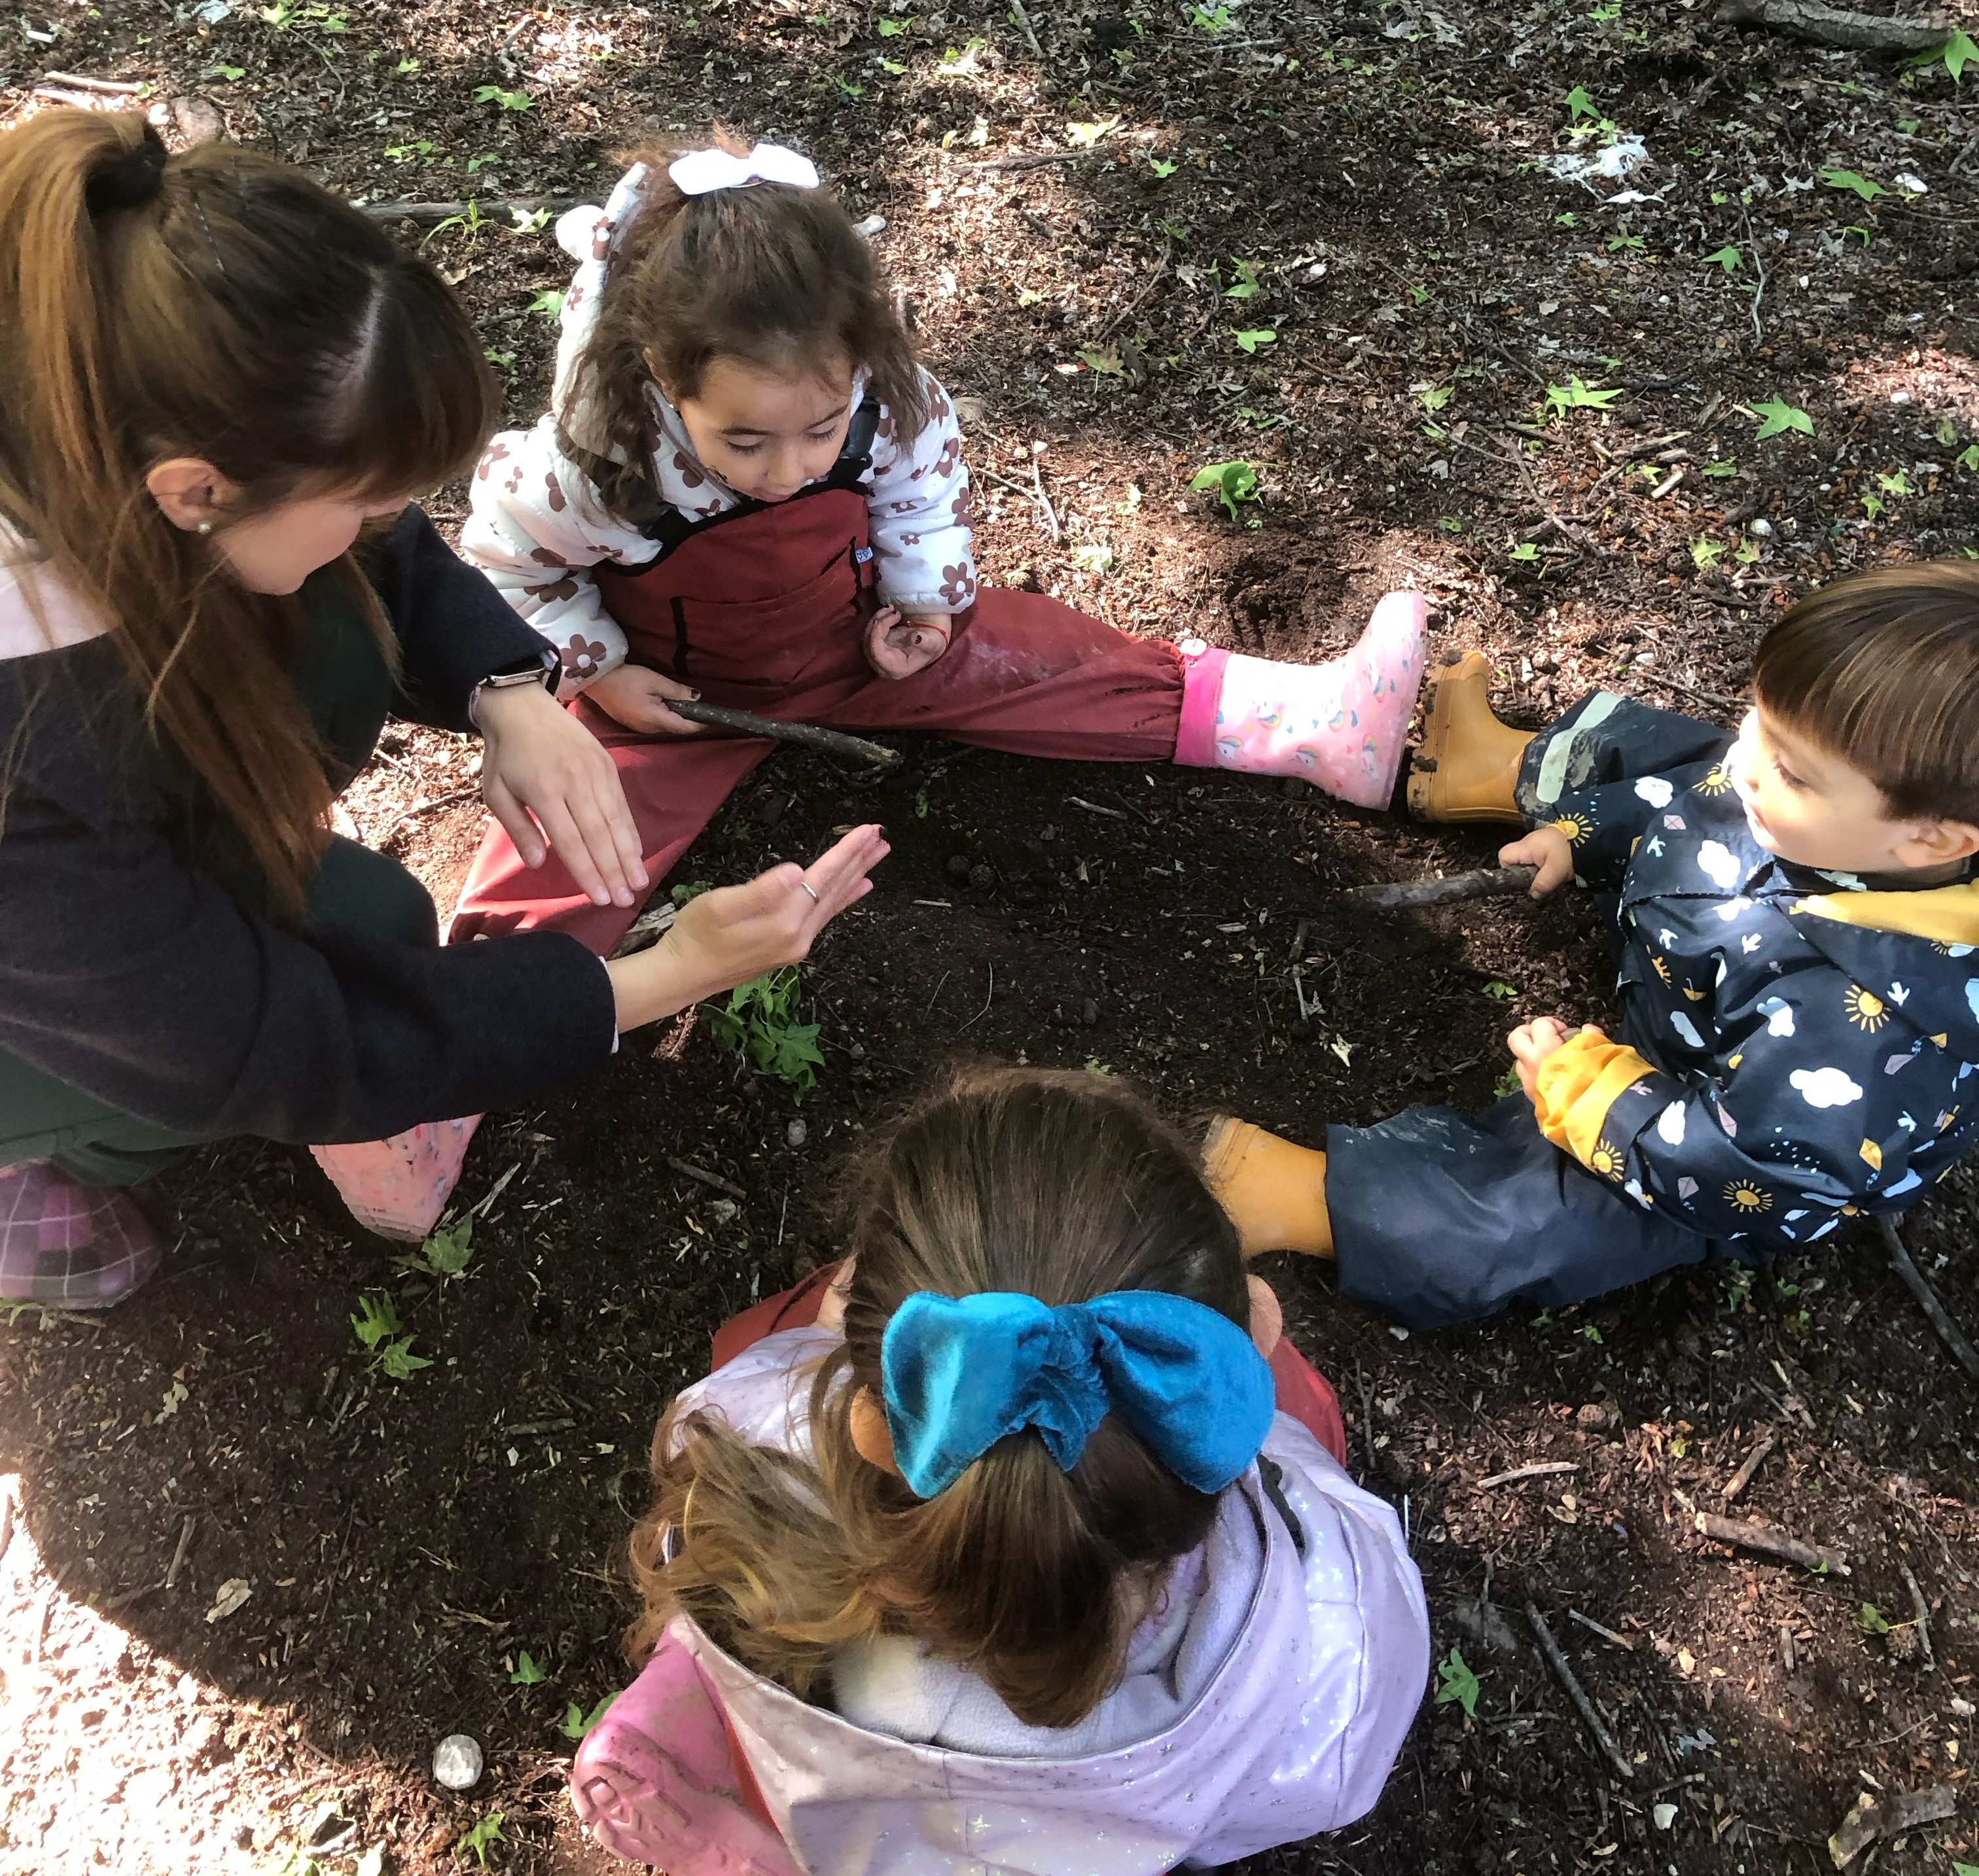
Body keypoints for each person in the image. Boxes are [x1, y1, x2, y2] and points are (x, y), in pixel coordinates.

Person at [0, 109, 887, 1307]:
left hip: (92, 835)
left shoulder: (112, 399)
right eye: (363, 494)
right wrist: (656, 977)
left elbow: (386, 547)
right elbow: (271, 1043)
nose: (391, 516)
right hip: (31, 970)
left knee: (363, 905)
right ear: (192, 491)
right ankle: (44, 1152)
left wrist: (507, 687)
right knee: (289, 987)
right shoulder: (29, 765)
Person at [448, 130, 1429, 952]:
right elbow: (503, 573)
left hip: (857, 646)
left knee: (1045, 653)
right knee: (570, 835)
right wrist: (605, 675)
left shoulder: (886, 402)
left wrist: (920, 602)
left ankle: (1309, 723)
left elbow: (922, 490)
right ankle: (440, 1067)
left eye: (820, 430)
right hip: (674, 708)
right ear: (663, 375)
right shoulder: (590, 465)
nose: (789, 469)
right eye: (744, 441)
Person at [569, 1068, 1428, 1876]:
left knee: (765, 1343)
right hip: (1096, 1846)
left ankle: (724, 1765)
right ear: (1255, 1327)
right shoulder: (1322, 1633)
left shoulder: (734, 1451)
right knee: (1309, 1408)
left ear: (875, 1409)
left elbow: (743, 1402)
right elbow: (1331, 1762)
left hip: (828, 1765)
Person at [1205, 564, 1979, 1328]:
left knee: (1542, 1221)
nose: (1745, 757)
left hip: (1701, 1124)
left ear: (1935, 840)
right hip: (1703, 940)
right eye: (1756, 718)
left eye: (1792, 770)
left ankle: (1308, 1199)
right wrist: (1587, 838)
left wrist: (1594, 1096)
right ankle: (1492, 768)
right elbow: (1702, 796)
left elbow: (1742, 1174)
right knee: (1666, 753)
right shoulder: (1830, 810)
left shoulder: (1868, 1034)